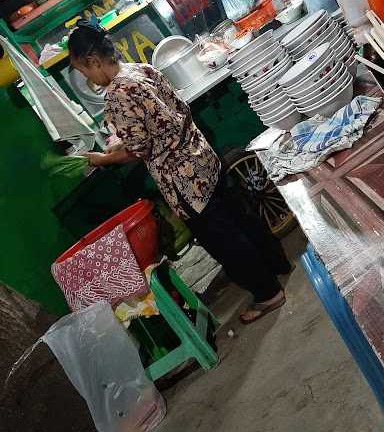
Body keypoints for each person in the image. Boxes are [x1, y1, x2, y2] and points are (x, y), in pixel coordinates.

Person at [68, 19, 292, 324]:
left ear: (93, 61)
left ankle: (268, 294)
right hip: (202, 157)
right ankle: (277, 264)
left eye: (85, 71)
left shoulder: (116, 96)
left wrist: (102, 159)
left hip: (183, 180)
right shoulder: (141, 69)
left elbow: (138, 149)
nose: (90, 79)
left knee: (224, 240)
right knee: (242, 216)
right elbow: (166, 114)